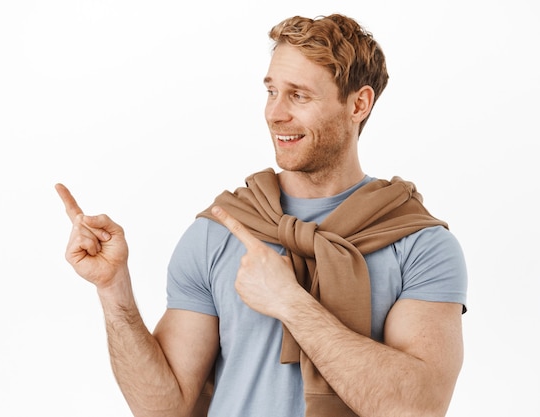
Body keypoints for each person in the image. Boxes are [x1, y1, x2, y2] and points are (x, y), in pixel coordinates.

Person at [56, 13, 467, 417]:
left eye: (299, 95)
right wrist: (114, 291)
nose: (275, 113)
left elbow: (418, 409)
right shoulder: (217, 232)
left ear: (358, 103)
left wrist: (290, 302)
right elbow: (163, 409)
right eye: (271, 91)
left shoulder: (418, 244)